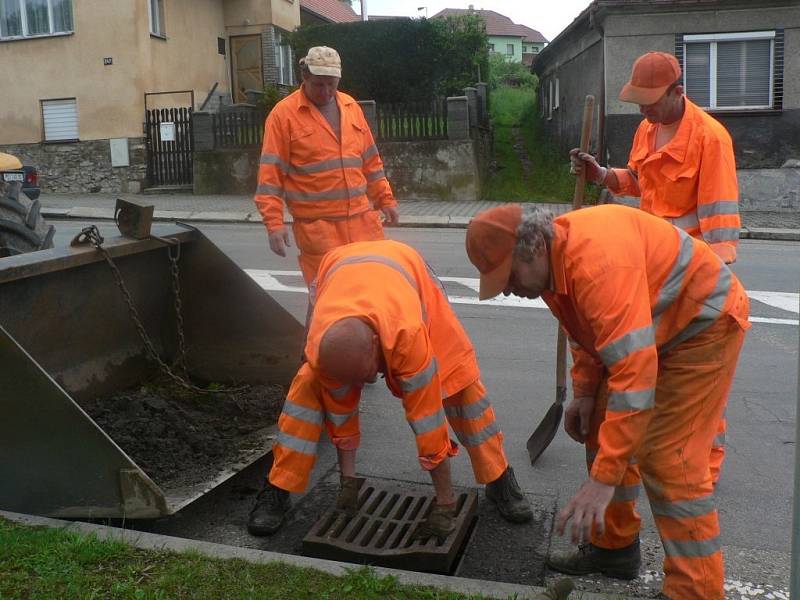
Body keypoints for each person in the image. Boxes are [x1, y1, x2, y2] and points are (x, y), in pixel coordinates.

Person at [465, 203, 749, 600]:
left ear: (532, 251)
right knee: (601, 424)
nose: (508, 288)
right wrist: (584, 393)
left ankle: (695, 590)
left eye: (507, 276)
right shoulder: (551, 271)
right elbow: (588, 332)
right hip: (651, 329)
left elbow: (635, 378)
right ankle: (613, 549)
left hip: (702, 326)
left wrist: (603, 480)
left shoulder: (597, 265)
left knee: (670, 459)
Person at [247, 239, 532, 539]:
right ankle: (279, 485)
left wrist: (445, 503)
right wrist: (348, 481)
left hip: (408, 281)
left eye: (368, 374)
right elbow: (341, 409)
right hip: (341, 274)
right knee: (305, 388)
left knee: (458, 381)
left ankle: (499, 478)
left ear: (375, 344)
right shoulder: (321, 346)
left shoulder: (408, 335)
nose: (369, 384)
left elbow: (428, 421)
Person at [569, 51, 740, 484]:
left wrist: (710, 300)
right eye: (639, 102)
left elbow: (720, 231)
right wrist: (602, 175)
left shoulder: (710, 139)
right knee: (648, 366)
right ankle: (641, 452)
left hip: (691, 282)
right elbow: (637, 181)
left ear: (678, 91)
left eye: (650, 101)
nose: (643, 110)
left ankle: (704, 470)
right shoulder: (648, 130)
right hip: (648, 270)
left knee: (692, 378)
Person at [253, 46, 399, 287]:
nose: (327, 91)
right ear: (305, 77)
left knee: (371, 293)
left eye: (332, 84)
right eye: (319, 84)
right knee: (327, 297)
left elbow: (371, 161)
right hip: (319, 231)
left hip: (363, 224)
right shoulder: (283, 115)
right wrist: (274, 225)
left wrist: (386, 199)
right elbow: (271, 176)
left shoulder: (351, 107)